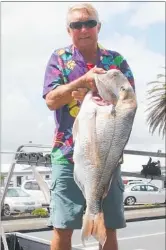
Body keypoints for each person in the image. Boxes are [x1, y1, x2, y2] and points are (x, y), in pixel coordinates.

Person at [43, 3, 135, 250]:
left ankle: (95, 217)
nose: (84, 29)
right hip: (66, 156)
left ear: (99, 27)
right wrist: (80, 83)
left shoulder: (116, 61)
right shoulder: (60, 59)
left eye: (90, 23)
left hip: (106, 158)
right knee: (62, 228)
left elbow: (128, 101)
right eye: (77, 25)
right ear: (68, 29)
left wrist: (100, 93)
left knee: (108, 230)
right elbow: (51, 100)